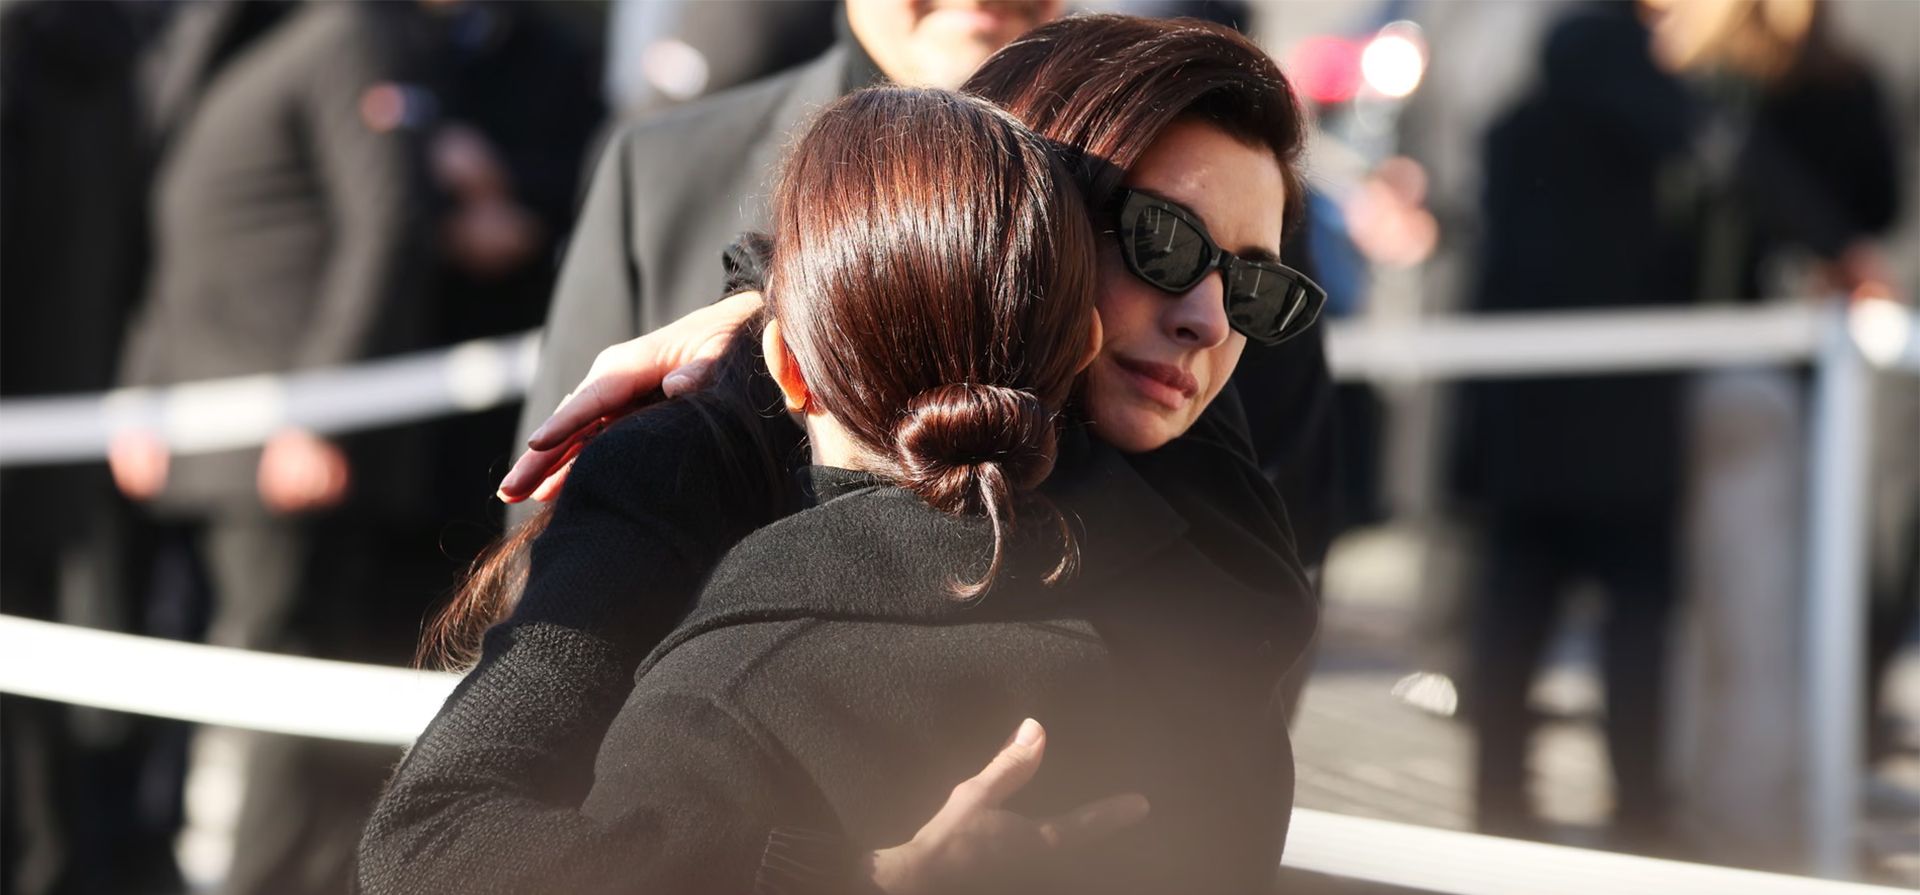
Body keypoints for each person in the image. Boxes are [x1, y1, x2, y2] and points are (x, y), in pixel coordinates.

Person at [362, 16, 1320, 893]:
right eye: (1161, 241)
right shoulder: (692, 468)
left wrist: (770, 303)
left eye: (1257, 285)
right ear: (1024, 221)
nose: (1206, 319)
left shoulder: (1202, 500)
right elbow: (433, 853)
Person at [511, 0, 1340, 570]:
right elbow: (547, 532)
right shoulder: (664, 171)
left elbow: (1269, 558)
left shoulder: (1227, 203)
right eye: (1159, 245)